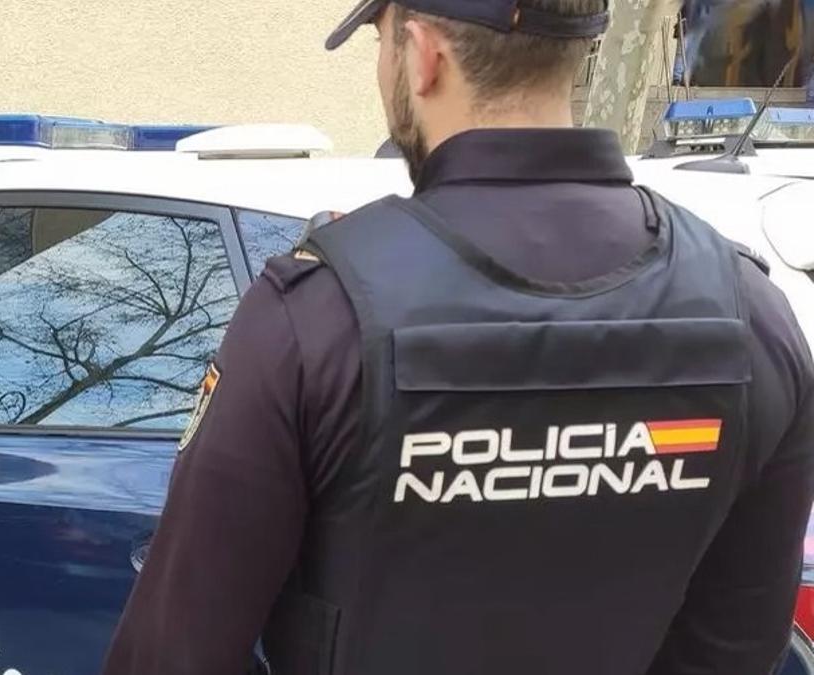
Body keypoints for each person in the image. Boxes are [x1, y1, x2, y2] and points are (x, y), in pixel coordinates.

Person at [102, 1, 814, 674]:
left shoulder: (317, 318)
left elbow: (172, 655)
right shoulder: (752, 316)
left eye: (381, 42)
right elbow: (737, 645)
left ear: (422, 55)